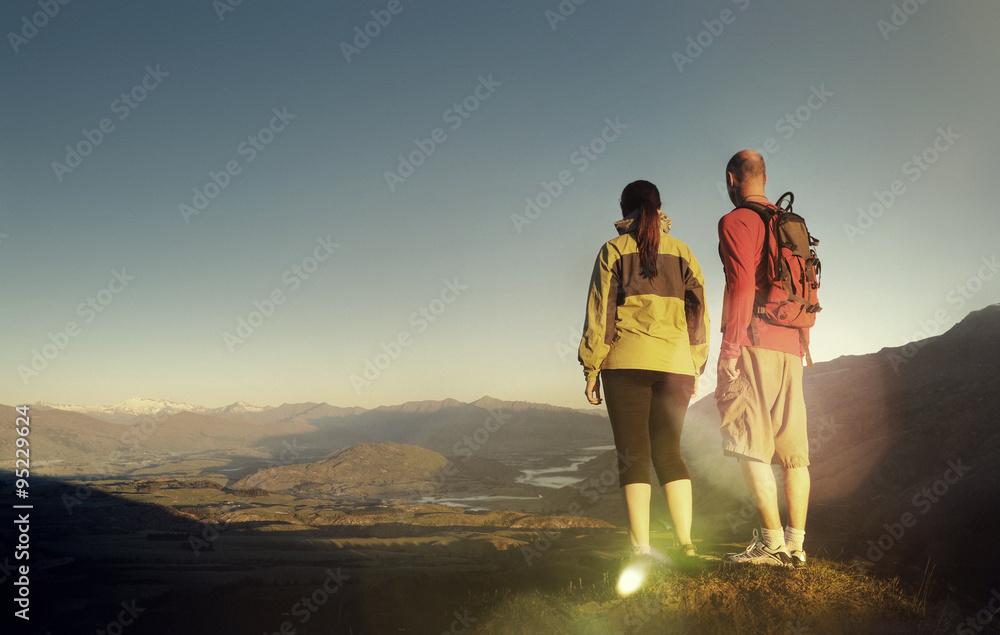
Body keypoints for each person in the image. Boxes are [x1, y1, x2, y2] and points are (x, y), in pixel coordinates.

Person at [578, 179, 710, 578]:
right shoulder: (684, 252)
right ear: (657, 207)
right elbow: (698, 314)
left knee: (633, 456)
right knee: (670, 454)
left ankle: (641, 551)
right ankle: (686, 545)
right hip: (676, 366)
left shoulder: (613, 251)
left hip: (627, 363)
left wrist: (591, 367)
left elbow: (600, 316)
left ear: (625, 209)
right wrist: (695, 364)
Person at [716, 150, 810, 568]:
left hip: (754, 340)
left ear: (732, 179)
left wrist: (729, 351)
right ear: (766, 179)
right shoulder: (790, 223)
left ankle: (772, 546)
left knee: (750, 443)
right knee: (794, 454)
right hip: (793, 343)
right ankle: (796, 547)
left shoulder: (736, 221)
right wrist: (801, 343)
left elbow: (739, 286)